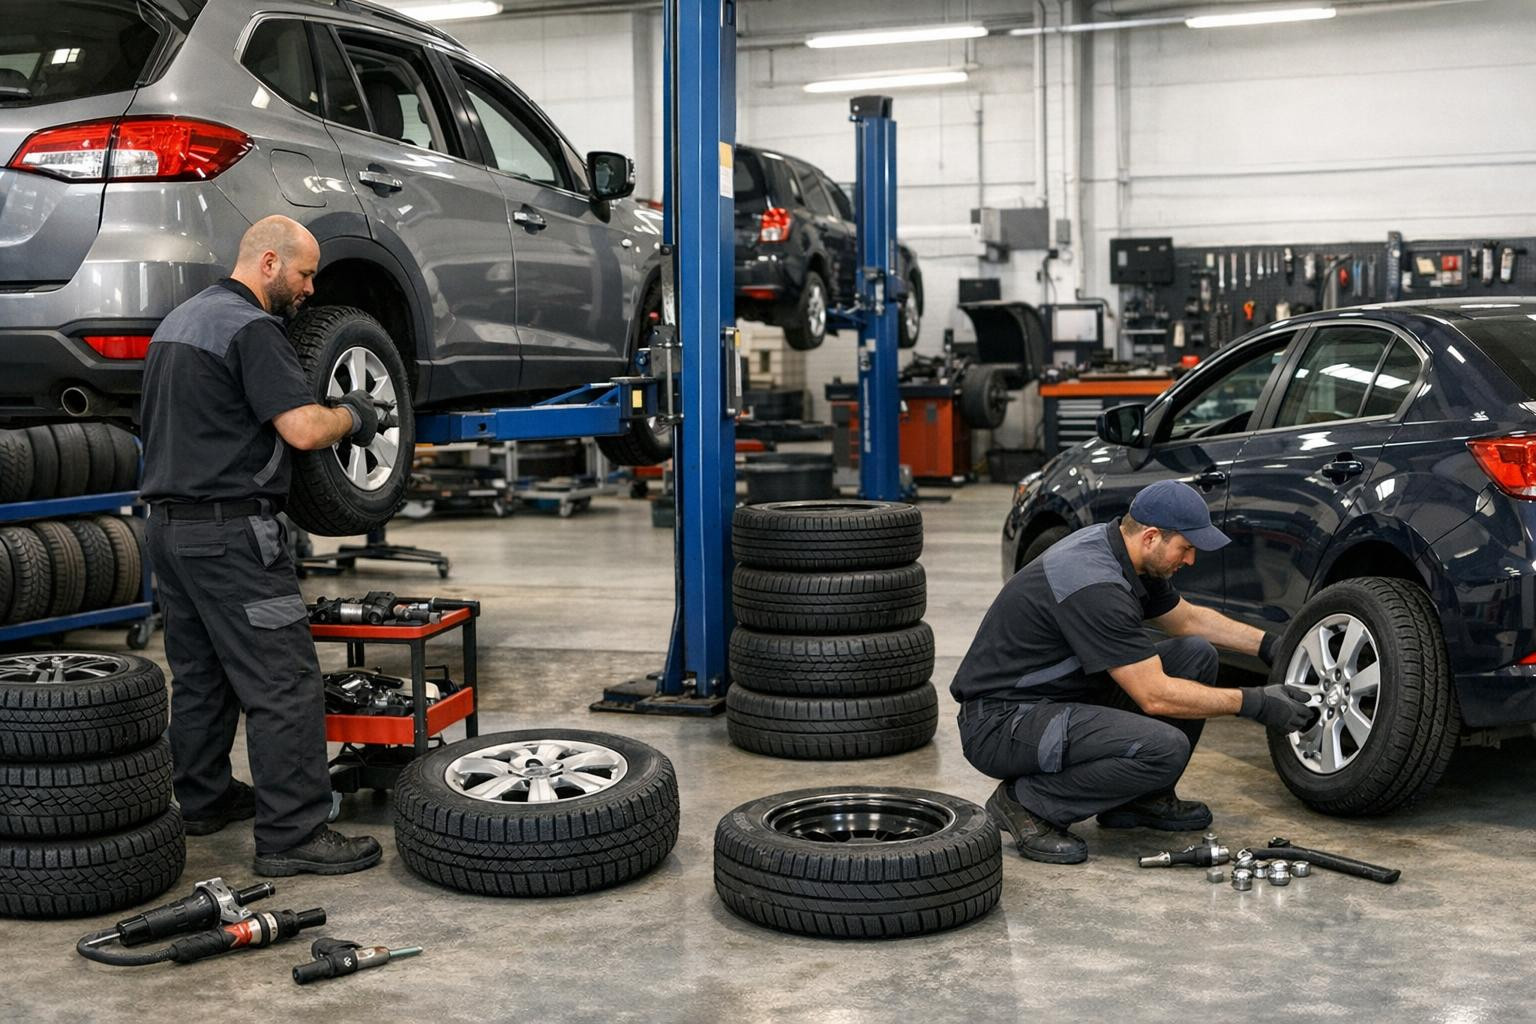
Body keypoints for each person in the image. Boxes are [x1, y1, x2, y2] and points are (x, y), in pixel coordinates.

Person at [140, 215, 388, 876]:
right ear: (270, 263)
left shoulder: (179, 323)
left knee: (200, 677)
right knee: (283, 681)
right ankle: (294, 833)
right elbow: (305, 428)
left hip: (167, 531)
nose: (310, 290)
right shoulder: (253, 328)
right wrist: (355, 415)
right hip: (230, 536)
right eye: (306, 274)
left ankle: (202, 799)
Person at [951, 479, 1315, 864]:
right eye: (1186, 548)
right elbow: (1153, 695)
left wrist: (1271, 645)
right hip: (1001, 721)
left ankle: (1139, 802)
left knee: (1196, 655)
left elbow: (1187, 621)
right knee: (1163, 748)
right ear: (1152, 537)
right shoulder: (1095, 584)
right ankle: (1028, 803)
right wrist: (1255, 703)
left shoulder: (1124, 552)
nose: (1190, 560)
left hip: (1058, 695)